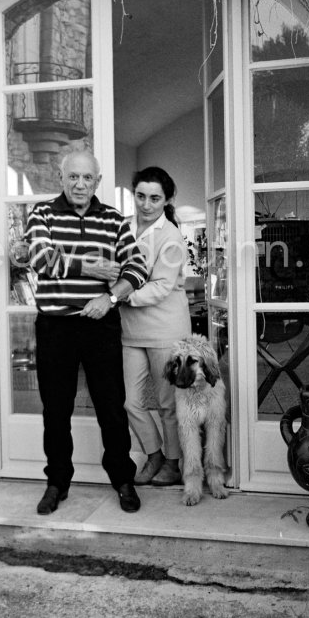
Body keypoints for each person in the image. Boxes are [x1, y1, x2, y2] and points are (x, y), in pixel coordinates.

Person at [26, 147, 148, 516]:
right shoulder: (42, 213)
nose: (80, 184)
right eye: (73, 177)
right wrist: (94, 268)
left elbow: (137, 268)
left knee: (111, 408)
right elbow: (39, 258)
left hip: (100, 324)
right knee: (56, 410)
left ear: (97, 180)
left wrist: (110, 297)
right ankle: (57, 483)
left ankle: (123, 480)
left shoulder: (113, 219)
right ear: (61, 179)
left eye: (87, 178)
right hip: (56, 326)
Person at [120, 166, 192, 486]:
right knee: (129, 400)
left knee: (168, 403)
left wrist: (118, 296)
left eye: (154, 198)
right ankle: (154, 454)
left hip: (166, 330)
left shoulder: (171, 236)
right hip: (129, 331)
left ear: (166, 200)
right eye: (140, 196)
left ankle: (173, 464)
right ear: (133, 194)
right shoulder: (122, 228)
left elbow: (162, 286)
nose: (146, 205)